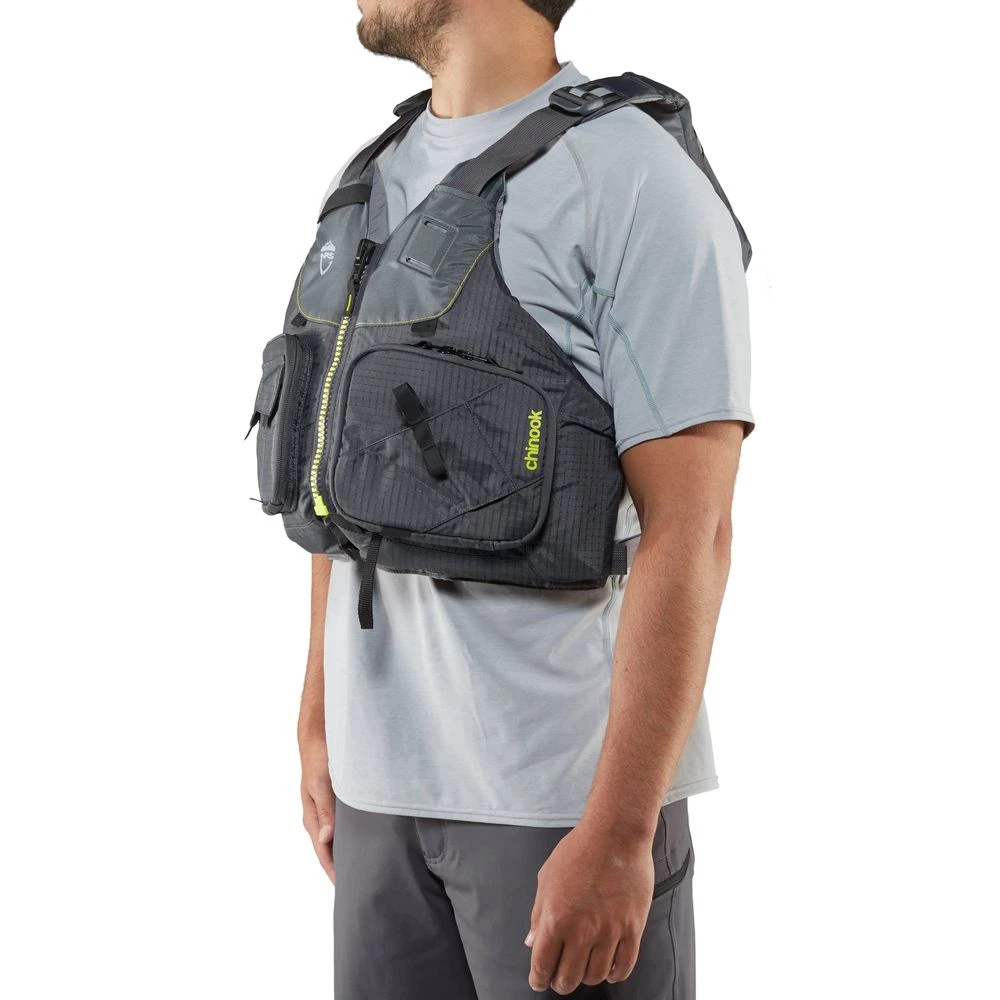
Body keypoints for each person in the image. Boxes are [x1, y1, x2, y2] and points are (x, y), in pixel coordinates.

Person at [295, 1, 754, 996]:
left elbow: (694, 527)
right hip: (378, 797)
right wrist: (318, 717)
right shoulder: (366, 177)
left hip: (558, 803)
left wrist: (620, 831)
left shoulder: (632, 180)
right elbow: (345, 470)